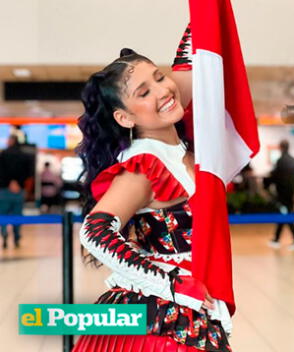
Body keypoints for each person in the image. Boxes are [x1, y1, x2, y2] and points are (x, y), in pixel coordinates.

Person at [72, 24, 232, 352]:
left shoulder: (178, 145)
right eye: (142, 93)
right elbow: (95, 232)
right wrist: (171, 282)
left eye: (159, 77)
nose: (161, 91)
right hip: (158, 323)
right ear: (125, 117)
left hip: (191, 313)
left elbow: (191, 63)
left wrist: (204, 18)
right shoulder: (145, 164)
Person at [264, 140, 294, 250]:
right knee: (284, 213)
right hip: (291, 193)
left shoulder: (279, 161)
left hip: (281, 193)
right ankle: (277, 239)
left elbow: (274, 177)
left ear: (281, 147)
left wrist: (266, 186)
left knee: (285, 214)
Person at [0, 134, 31, 249]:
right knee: (17, 215)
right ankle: (17, 237)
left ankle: (4, 235)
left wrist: (9, 182)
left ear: (10, 141)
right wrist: (18, 183)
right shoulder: (24, 156)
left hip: (4, 190)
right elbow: (28, 173)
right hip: (19, 190)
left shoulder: (3, 154)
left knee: (3, 214)